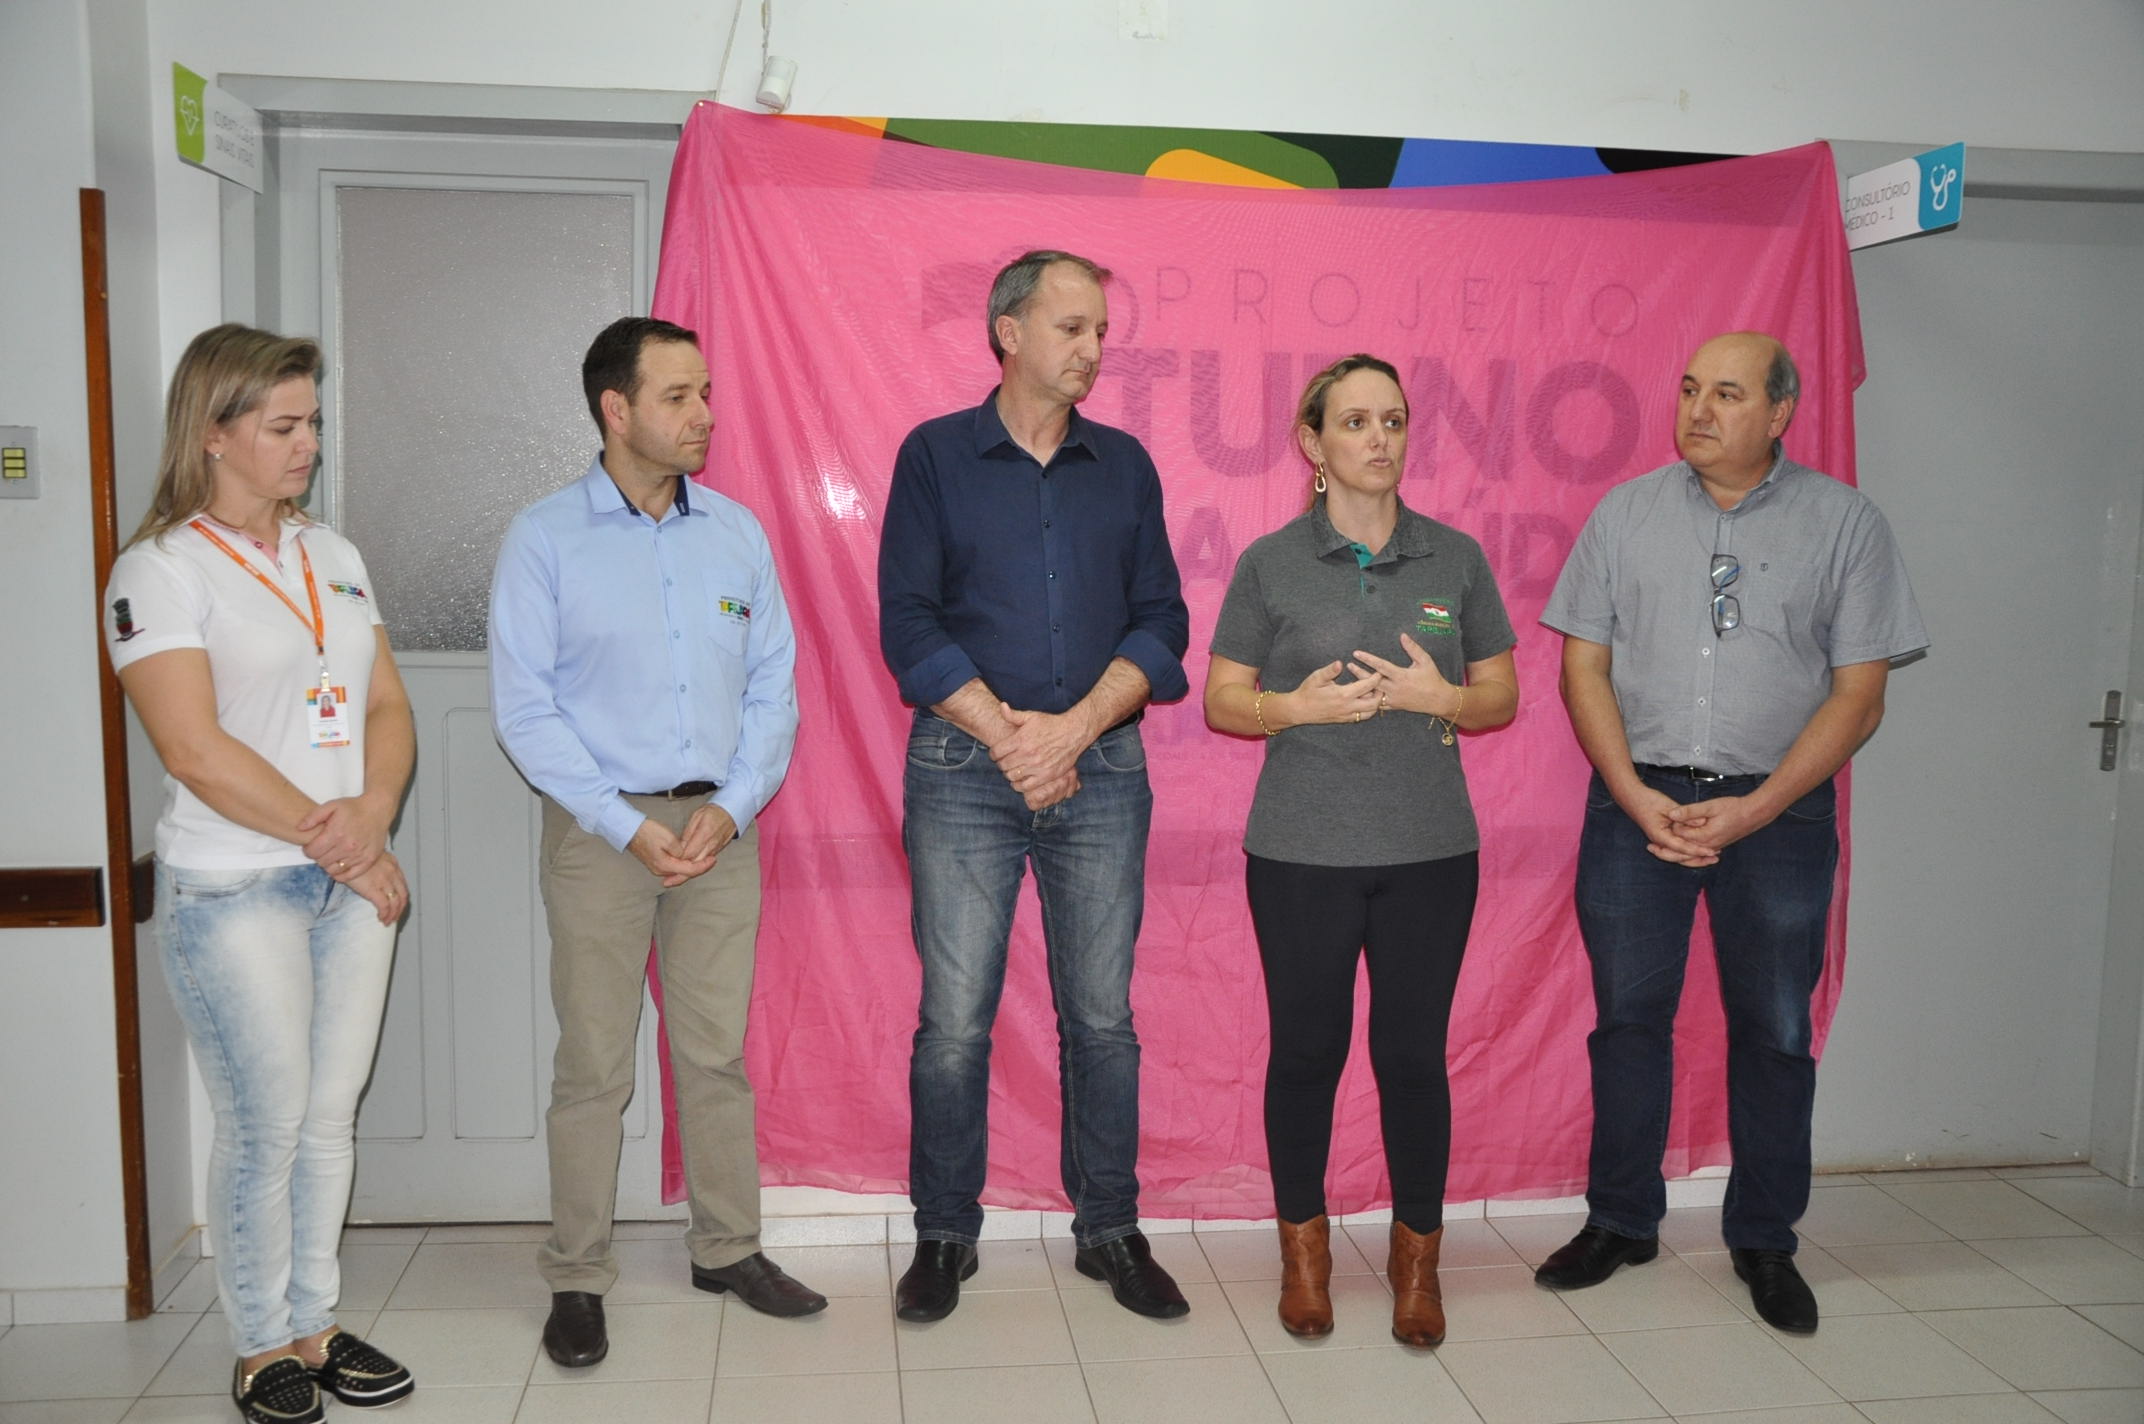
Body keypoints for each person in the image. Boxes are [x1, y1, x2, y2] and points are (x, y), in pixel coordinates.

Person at [1535, 332, 1927, 1333]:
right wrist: (1632, 794)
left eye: (1725, 393)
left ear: (1780, 412)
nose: (1698, 410)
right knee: (1627, 1022)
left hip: (1778, 812)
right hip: (1638, 805)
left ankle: (1763, 1236)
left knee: (1775, 1029)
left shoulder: (1845, 524)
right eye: (1687, 389)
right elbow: (1582, 668)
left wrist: (1754, 808)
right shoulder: (1624, 514)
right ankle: (1620, 1219)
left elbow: (1858, 697)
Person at [489, 316, 820, 1370]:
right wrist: (625, 823)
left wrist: (737, 800)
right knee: (593, 1063)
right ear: (615, 408)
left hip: (719, 828)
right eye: (678, 396)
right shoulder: (545, 538)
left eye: (705, 392)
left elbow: (773, 686)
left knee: (713, 1053)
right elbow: (524, 710)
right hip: (601, 831)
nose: (703, 414)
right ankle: (577, 1275)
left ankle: (728, 1249)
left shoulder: (735, 532)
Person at [106, 324, 417, 1424]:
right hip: (237, 885)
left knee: (328, 1119)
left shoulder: (332, 553)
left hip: (345, 881)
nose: (308, 444)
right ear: (212, 432)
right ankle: (259, 1345)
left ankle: (315, 1325)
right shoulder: (157, 570)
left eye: (312, 422)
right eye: (284, 425)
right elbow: (194, 749)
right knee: (264, 1122)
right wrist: (343, 840)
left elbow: (386, 706)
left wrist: (372, 815)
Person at [878, 250, 1191, 1323]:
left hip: (1102, 767)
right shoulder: (933, 456)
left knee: (1101, 1017)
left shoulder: (1126, 466)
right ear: (1007, 333)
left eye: (1100, 329)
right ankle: (942, 1235)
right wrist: (1011, 736)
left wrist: (1071, 730)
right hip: (962, 770)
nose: (1093, 348)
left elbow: (1162, 620)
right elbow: (907, 621)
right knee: (953, 1021)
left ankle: (1110, 1229)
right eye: (1072, 327)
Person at [1204, 354, 1518, 1346]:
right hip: (1299, 853)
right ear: (1312, 442)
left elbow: (1501, 695)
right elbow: (1220, 697)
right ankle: (1304, 1259)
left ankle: (1416, 1264)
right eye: (1354, 421)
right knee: (1306, 1052)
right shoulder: (1269, 563)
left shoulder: (1455, 558)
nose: (1378, 438)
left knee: (1412, 1056)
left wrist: (1443, 697)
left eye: (1392, 419)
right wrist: (1290, 709)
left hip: (1431, 852)